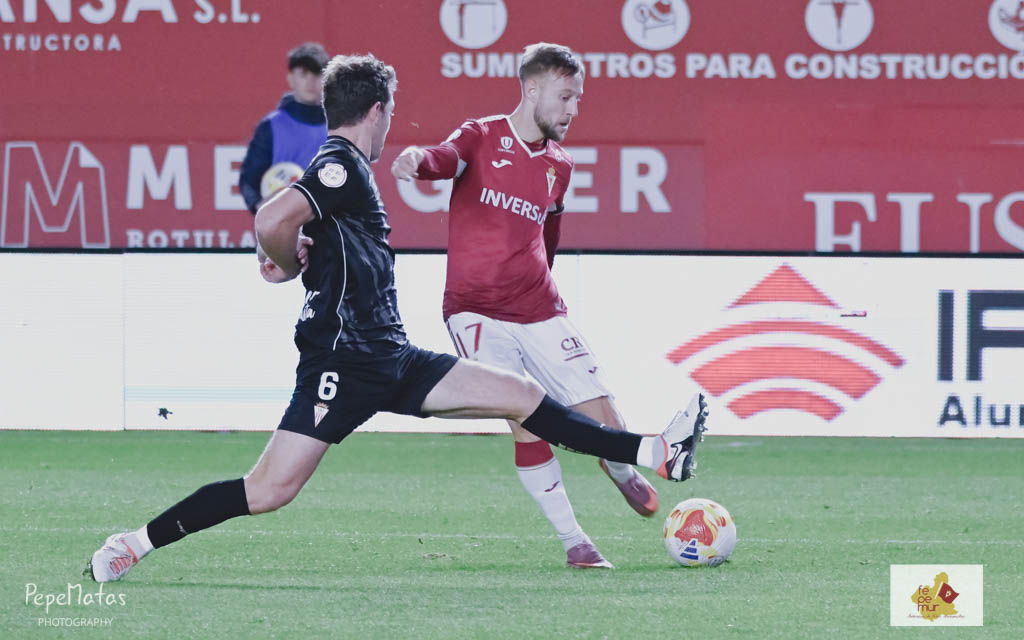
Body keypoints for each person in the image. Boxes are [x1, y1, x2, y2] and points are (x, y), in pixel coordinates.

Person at [87, 54, 708, 583]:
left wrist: (294, 254)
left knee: (522, 395)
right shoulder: (340, 163)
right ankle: (133, 544)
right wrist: (282, 255)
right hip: (342, 365)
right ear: (378, 110)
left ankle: (657, 452)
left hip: (393, 356)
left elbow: (303, 235)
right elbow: (271, 219)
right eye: (391, 113)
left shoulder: (349, 171)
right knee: (268, 491)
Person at [390, 43, 662, 568]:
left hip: (539, 307)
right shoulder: (481, 134)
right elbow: (444, 159)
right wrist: (418, 160)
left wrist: (545, 289)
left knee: (603, 415)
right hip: (474, 310)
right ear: (532, 89)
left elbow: (550, 230)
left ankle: (622, 469)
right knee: (523, 414)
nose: (573, 110)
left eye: (578, 99)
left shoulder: (560, 164)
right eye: (565, 97)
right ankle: (575, 542)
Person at [239, 42, 330, 215]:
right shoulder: (271, 127)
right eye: (304, 73)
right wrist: (264, 211)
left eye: (317, 73)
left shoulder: (339, 126)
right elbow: (249, 181)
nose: (310, 80)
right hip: (285, 224)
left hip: (329, 223)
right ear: (291, 78)